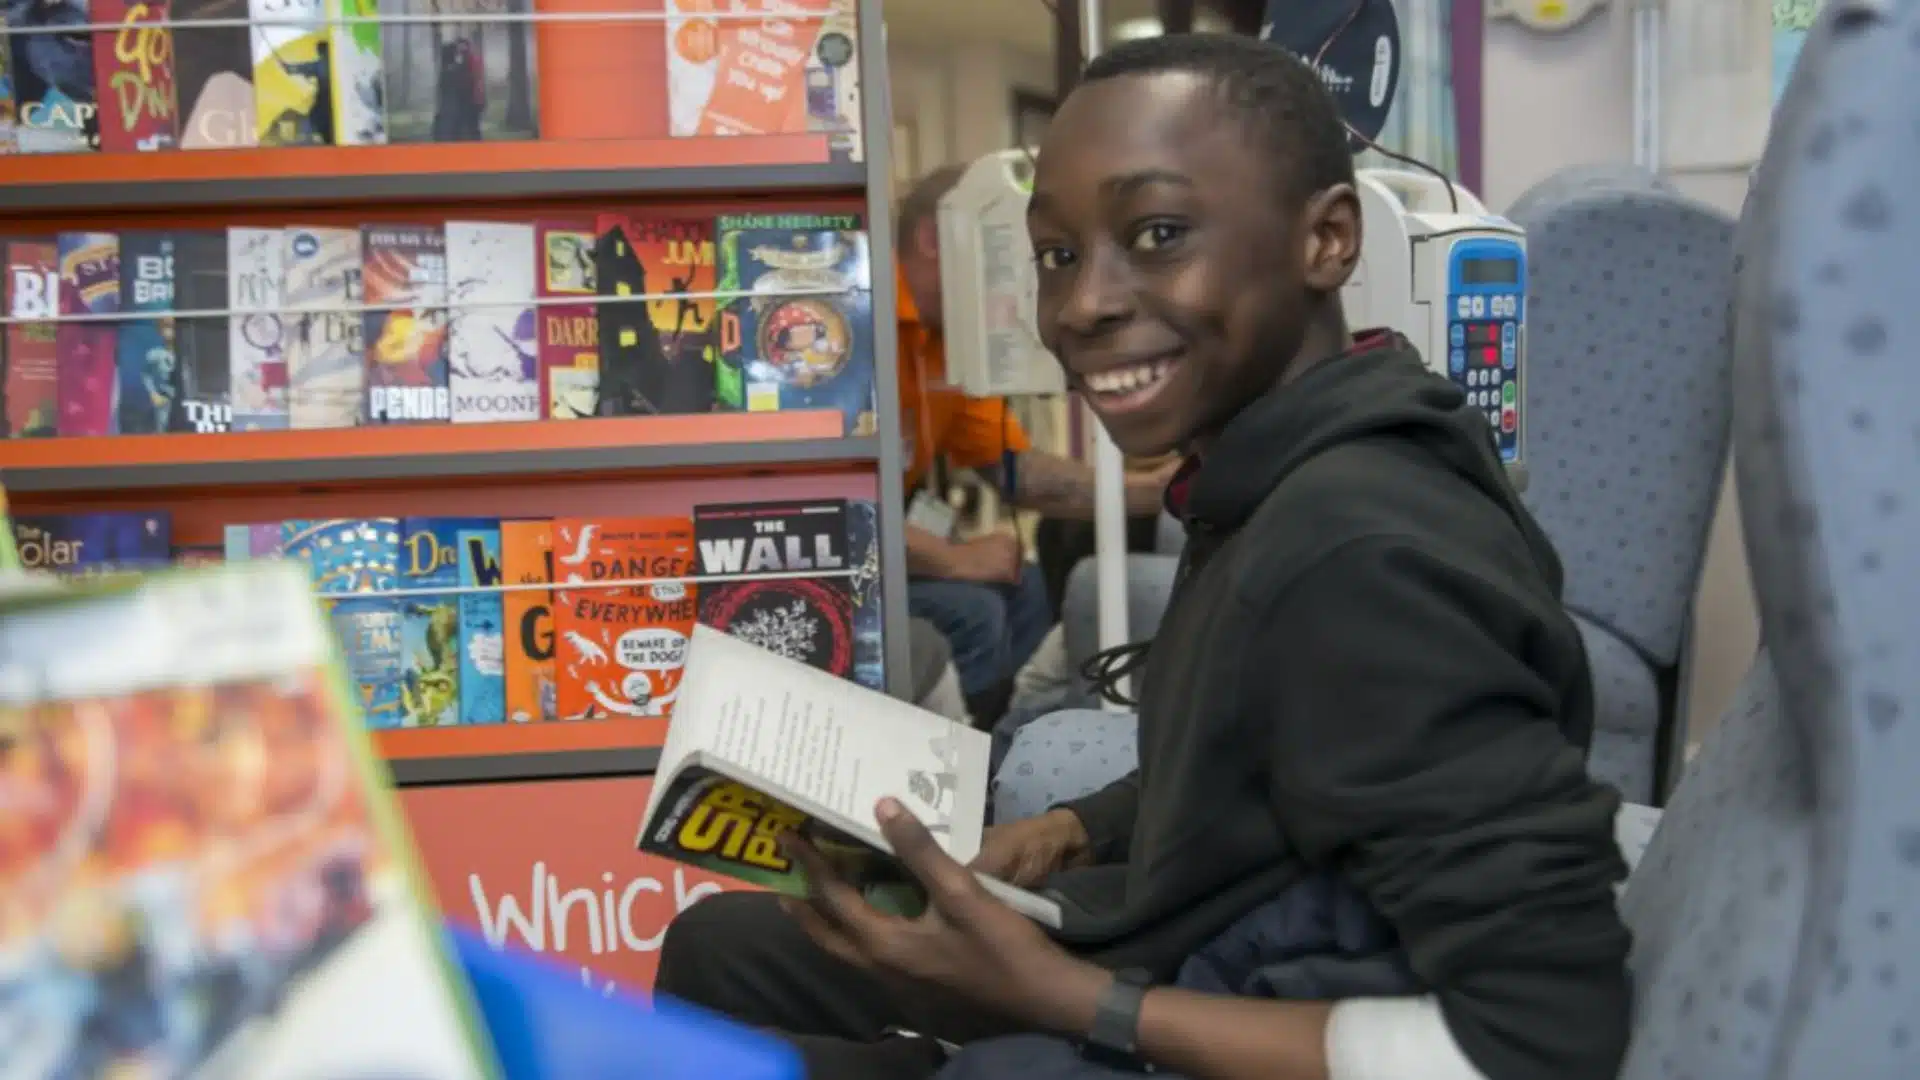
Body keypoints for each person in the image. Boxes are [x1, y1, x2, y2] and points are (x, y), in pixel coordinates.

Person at [656, 33, 1630, 1080]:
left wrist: (1068, 1000)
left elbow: (1543, 1040)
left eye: (1159, 233)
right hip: (1192, 943)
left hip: (1215, 1012)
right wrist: (1079, 825)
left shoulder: (1363, 561)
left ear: (1328, 239)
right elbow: (1277, 758)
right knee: (724, 948)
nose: (1081, 306)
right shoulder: (1285, 466)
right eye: (1059, 255)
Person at [892, 164, 1172, 725]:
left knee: (1027, 585)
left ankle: (1014, 755)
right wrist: (952, 559)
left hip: (905, 539)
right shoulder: (865, 327)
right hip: (858, 558)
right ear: (931, 239)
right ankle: (961, 777)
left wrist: (1156, 492)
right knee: (972, 613)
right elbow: (846, 516)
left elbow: (1017, 471)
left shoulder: (947, 343)